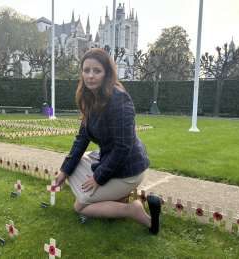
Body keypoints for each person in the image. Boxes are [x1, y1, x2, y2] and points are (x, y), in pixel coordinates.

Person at [55, 48, 162, 234]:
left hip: (128, 168)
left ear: (107, 73)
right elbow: (81, 138)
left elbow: (123, 147)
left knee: (80, 207)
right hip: (109, 158)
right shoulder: (89, 97)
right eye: (86, 70)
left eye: (97, 70)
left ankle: (134, 211)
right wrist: (64, 170)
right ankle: (115, 200)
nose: (90, 76)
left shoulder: (119, 99)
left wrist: (98, 177)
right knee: (72, 167)